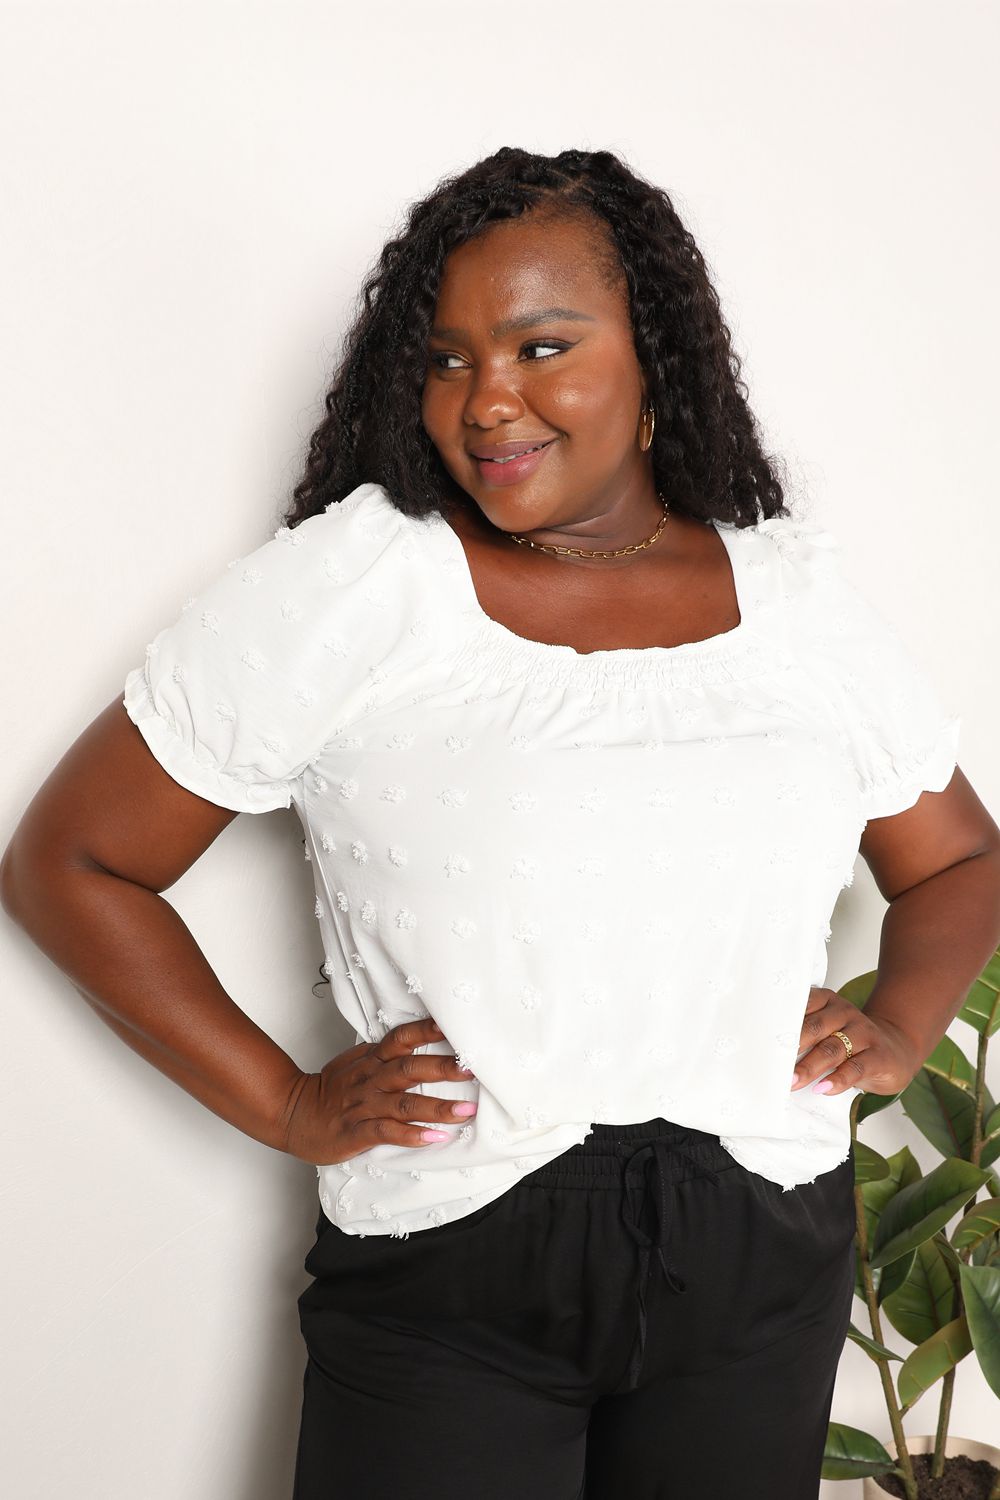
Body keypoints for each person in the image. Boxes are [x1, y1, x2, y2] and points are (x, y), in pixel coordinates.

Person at [3, 146, 999, 1500]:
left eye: (541, 347)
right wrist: (288, 1102)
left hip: (762, 1259)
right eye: (447, 359)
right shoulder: (362, 583)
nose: (487, 403)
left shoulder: (794, 603)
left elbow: (958, 859)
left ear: (652, 354)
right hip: (454, 1269)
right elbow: (74, 861)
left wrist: (899, 1030)